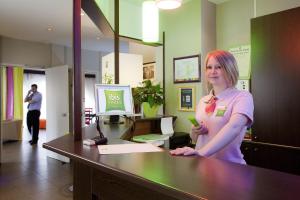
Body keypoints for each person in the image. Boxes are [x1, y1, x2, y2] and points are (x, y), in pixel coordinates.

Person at [170, 50, 254, 164]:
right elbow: (195, 139)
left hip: (230, 167)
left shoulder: (242, 97)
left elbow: (234, 127)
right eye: (209, 67)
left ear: (230, 69)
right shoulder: (203, 101)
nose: (212, 71)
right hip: (203, 167)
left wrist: (201, 153)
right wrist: (195, 131)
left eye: (218, 67)